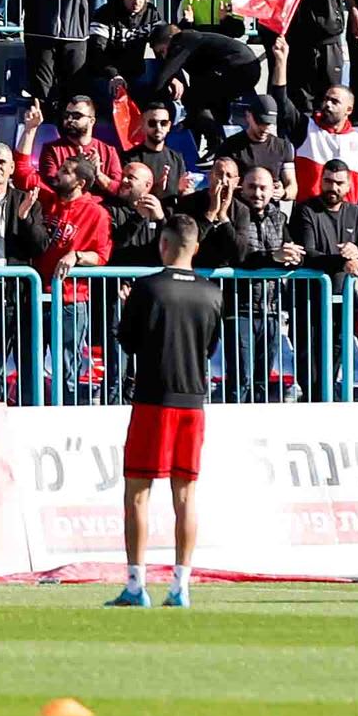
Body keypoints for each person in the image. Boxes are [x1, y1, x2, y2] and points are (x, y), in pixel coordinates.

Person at [112, 212, 221, 609]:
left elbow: (128, 340)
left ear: (164, 244)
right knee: (186, 495)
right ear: (196, 247)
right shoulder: (212, 292)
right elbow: (209, 348)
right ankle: (181, 586)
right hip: (193, 402)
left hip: (154, 399)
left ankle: (136, 584)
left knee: (137, 493)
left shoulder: (147, 288)